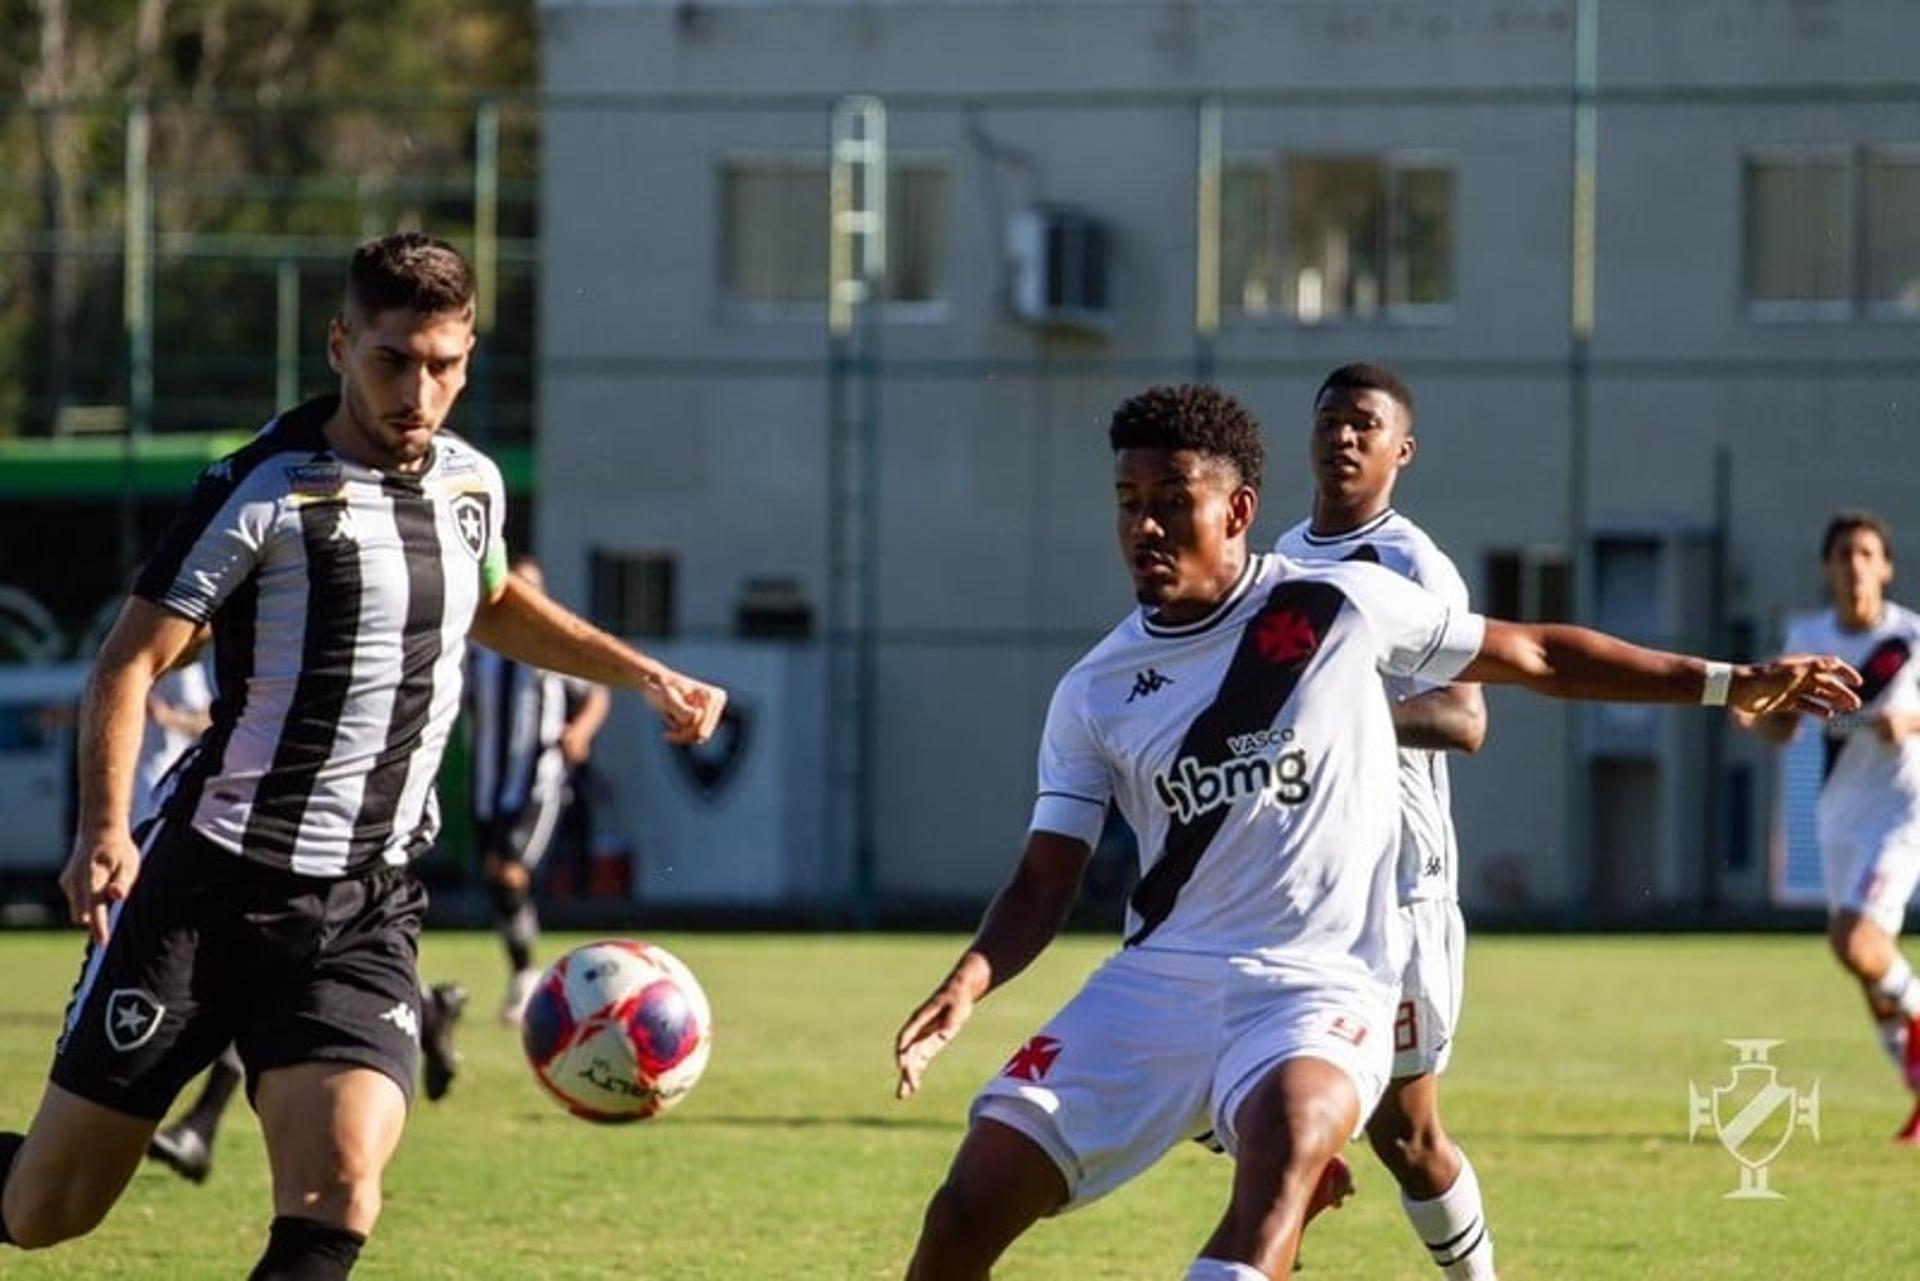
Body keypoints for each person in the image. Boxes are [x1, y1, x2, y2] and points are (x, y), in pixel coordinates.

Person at [892, 383, 1858, 1281]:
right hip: (1156, 983)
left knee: (1290, 1152)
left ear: (1236, 510)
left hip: (1319, 983)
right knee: (964, 1207)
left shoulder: (1339, 605)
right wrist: (969, 982)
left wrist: (1727, 679)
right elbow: (1043, 879)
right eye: (1126, 499)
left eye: (1170, 498)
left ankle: (1309, 1197)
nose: (1143, 524)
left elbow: (1536, 654)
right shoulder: (1094, 690)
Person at [0, 232, 726, 1278]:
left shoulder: (471, 485)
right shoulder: (264, 490)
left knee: (337, 1194)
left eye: (443, 364)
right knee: (47, 1210)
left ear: (469, 355)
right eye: (392, 360)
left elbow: (494, 603)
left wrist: (640, 672)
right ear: (341, 346)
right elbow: (126, 665)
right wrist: (104, 830)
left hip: (363, 903)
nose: (417, 391)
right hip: (205, 891)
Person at [1270, 364, 1494, 1277]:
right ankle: (1298, 1178)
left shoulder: (1412, 564)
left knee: (1407, 1135)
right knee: (1255, 1100)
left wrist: (1339, 714)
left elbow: (1465, 717)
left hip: (1401, 885)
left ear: (1401, 451)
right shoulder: (1278, 557)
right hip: (1302, 879)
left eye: (1366, 424)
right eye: (1330, 420)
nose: (1344, 437)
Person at [1734, 510, 1920, 1142]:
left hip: (1902, 813)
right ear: (1827, 567)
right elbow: (1780, 729)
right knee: (1868, 968)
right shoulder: (1807, 638)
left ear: (1886, 567)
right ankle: (1916, 1086)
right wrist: (1762, 711)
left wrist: (1911, 723)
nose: (1855, 565)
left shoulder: (1910, 639)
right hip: (1840, 816)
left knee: (1855, 944)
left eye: (1867, 553)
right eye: (1844, 554)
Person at [468, 553, 610, 1024]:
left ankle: (528, 976)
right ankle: (523, 971)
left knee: (509, 870)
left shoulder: (548, 648)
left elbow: (596, 694)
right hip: (488, 781)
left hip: (538, 778)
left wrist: (580, 733)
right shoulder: (478, 645)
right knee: (495, 873)